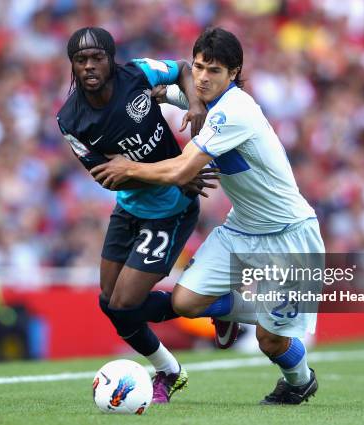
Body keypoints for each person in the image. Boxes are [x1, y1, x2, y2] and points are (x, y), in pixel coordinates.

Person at [91, 27, 324, 405]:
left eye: (213, 70)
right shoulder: (199, 94)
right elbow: (159, 91)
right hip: (242, 229)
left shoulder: (236, 110)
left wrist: (128, 168)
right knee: (184, 303)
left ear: (233, 73)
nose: (201, 77)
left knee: (271, 340)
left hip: (291, 234)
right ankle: (231, 312)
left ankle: (299, 382)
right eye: (198, 66)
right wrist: (144, 96)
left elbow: (182, 170)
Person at [56, 27, 216, 403]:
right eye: (81, 60)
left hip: (171, 209)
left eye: (97, 58)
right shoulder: (70, 120)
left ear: (111, 59)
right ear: (73, 67)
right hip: (128, 209)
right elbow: (106, 177)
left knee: (125, 304)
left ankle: (216, 303)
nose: (90, 66)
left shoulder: (139, 73)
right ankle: (170, 369)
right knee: (108, 302)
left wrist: (193, 105)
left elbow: (180, 68)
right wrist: (166, 173)